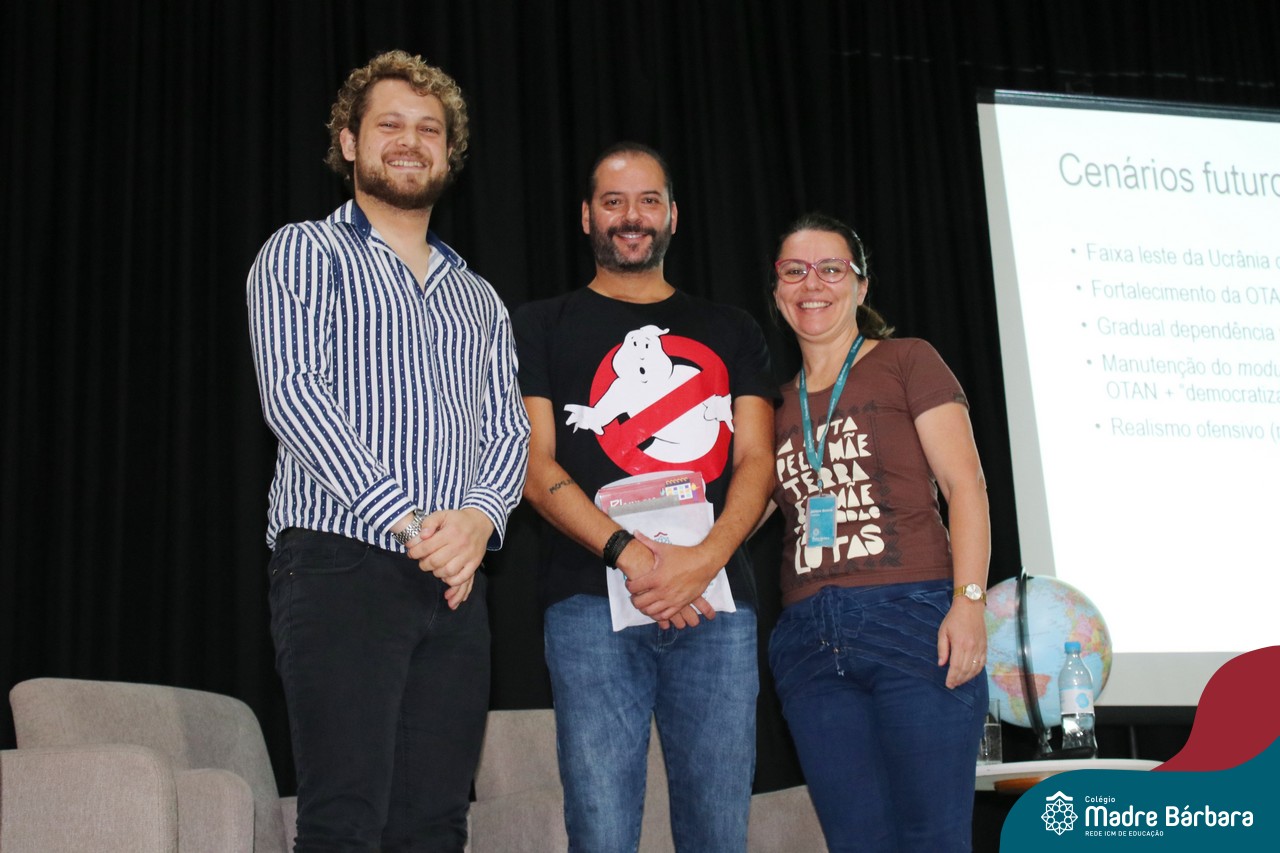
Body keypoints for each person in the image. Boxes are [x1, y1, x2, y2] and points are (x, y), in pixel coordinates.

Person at [246, 50, 530, 852]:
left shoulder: (479, 297)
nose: (411, 141)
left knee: (436, 825)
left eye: (429, 129)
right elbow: (293, 395)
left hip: (456, 584)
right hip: (339, 564)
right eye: (390, 125)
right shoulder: (303, 252)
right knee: (343, 819)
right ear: (349, 142)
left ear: (450, 152)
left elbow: (509, 431)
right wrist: (412, 523)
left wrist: (478, 521)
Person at [513, 143, 776, 852]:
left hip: (717, 603)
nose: (632, 217)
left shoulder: (732, 328)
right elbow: (535, 465)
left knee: (719, 834)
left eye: (648, 201)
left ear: (673, 216)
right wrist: (635, 557)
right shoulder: (539, 324)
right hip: (588, 599)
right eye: (614, 201)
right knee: (601, 833)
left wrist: (703, 561)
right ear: (586, 216)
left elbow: (758, 459)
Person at [764, 213, 990, 852]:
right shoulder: (771, 404)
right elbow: (743, 514)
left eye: (831, 269)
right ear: (777, 289)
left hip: (912, 622)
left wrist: (969, 604)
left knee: (933, 838)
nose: (813, 284)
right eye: (794, 270)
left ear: (861, 286)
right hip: (807, 640)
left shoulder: (906, 360)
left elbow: (966, 487)